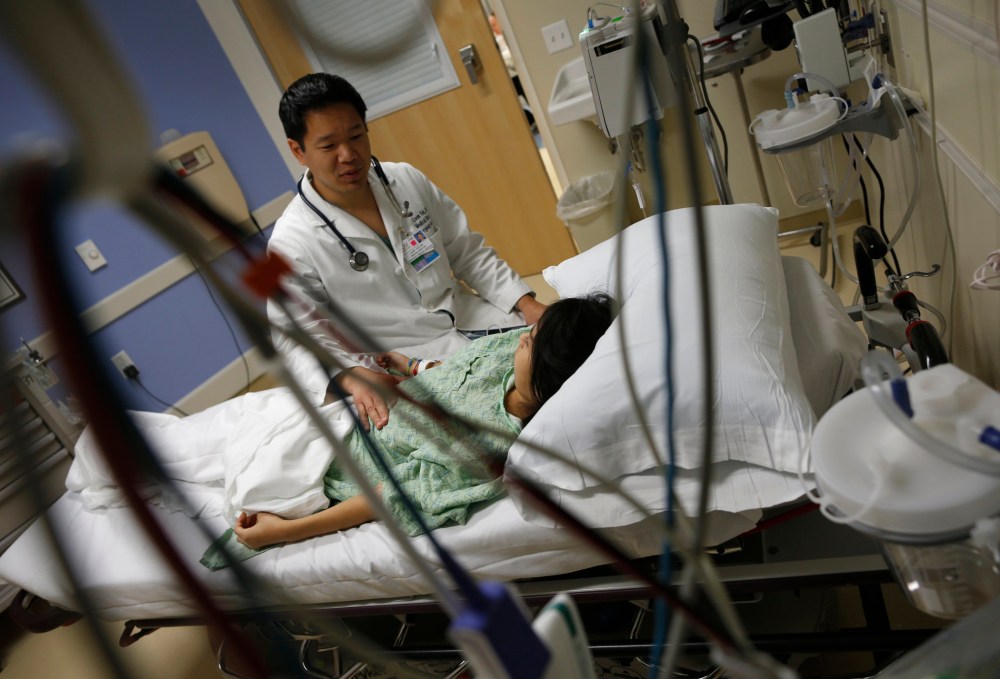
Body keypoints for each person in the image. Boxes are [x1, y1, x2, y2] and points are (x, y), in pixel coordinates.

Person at [224, 294, 614, 556]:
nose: (522, 340)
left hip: (330, 463)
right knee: (243, 417)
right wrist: (409, 365)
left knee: (227, 461)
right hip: (349, 408)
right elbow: (461, 370)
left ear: (553, 376)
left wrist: (285, 532)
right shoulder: (509, 353)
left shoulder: (483, 448)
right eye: (529, 333)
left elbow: (390, 496)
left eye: (531, 342)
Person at [267, 73, 547, 429]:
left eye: (356, 136)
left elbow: (467, 251)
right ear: (298, 150)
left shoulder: (406, 180)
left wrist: (528, 305)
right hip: (404, 361)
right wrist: (353, 377)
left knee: (562, 357)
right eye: (328, 146)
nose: (349, 155)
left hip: (472, 319)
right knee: (510, 414)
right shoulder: (288, 242)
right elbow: (293, 338)